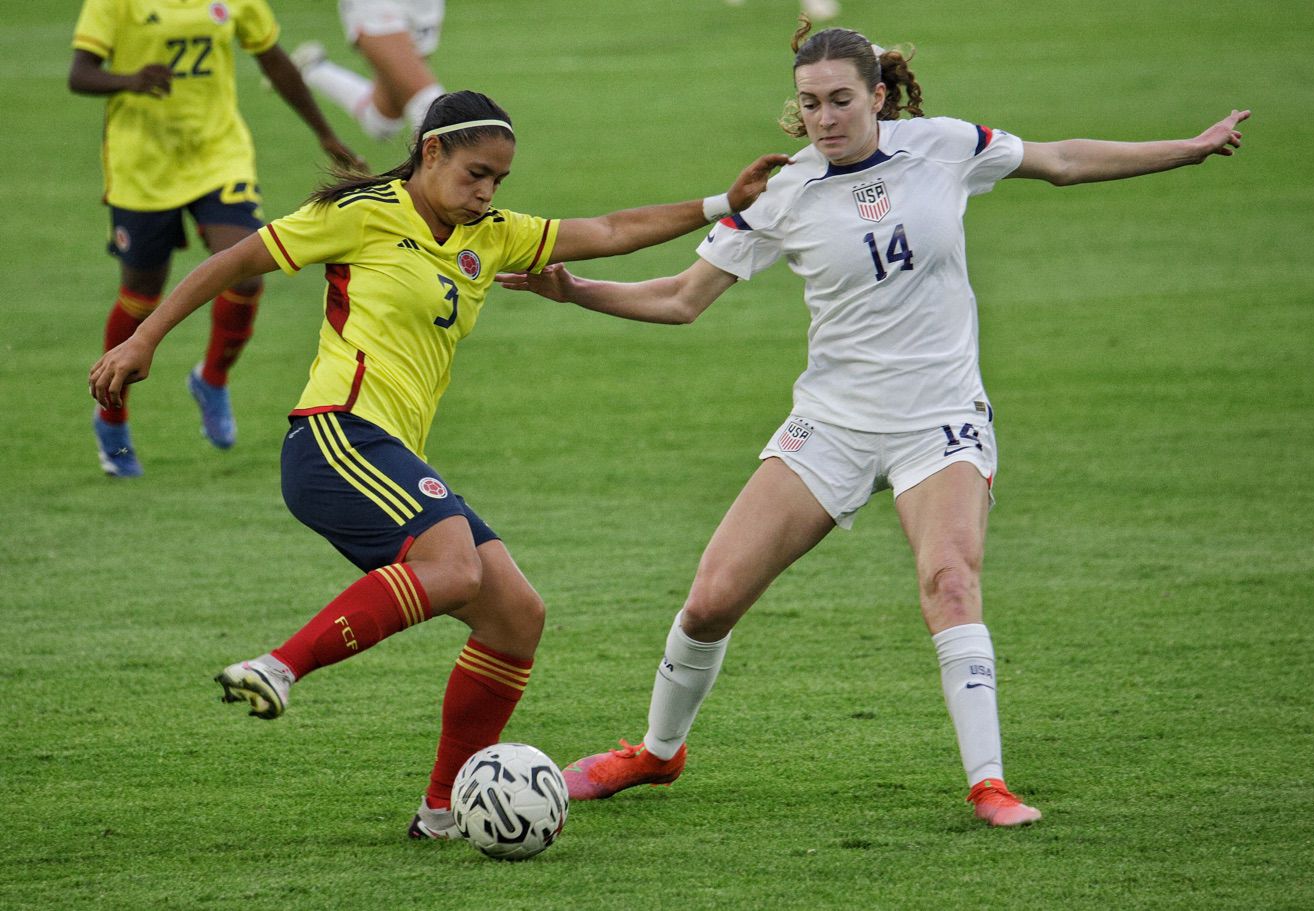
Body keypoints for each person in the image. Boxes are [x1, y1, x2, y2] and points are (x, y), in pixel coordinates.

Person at [496, 20, 1250, 827]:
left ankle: (988, 783)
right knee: (711, 601)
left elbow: (1062, 161)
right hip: (834, 422)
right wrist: (576, 292)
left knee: (950, 581)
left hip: (940, 417)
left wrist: (1189, 146)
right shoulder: (782, 190)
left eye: (842, 100)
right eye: (811, 103)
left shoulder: (945, 146)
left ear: (878, 96)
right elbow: (683, 299)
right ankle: (656, 751)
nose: (825, 117)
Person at [89, 89, 787, 838]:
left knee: (517, 616)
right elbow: (233, 260)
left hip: (389, 452)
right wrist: (143, 340)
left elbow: (611, 230)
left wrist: (724, 200)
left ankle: (442, 809)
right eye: (475, 173)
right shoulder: (363, 212)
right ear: (431, 152)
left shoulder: (489, 234)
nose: (486, 193)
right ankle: (278, 667)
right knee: (455, 567)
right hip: (334, 436)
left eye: (498, 181)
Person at [71, 0, 362, 477]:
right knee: (141, 296)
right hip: (142, 165)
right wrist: (130, 80)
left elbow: (273, 58)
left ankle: (212, 379)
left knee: (246, 273)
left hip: (218, 156)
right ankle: (112, 418)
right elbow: (79, 74)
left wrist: (324, 134)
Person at [291, 0, 447, 142]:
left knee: (382, 121)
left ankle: (312, 68)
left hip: (424, 5)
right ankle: (427, 171)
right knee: (429, 106)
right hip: (376, 5)